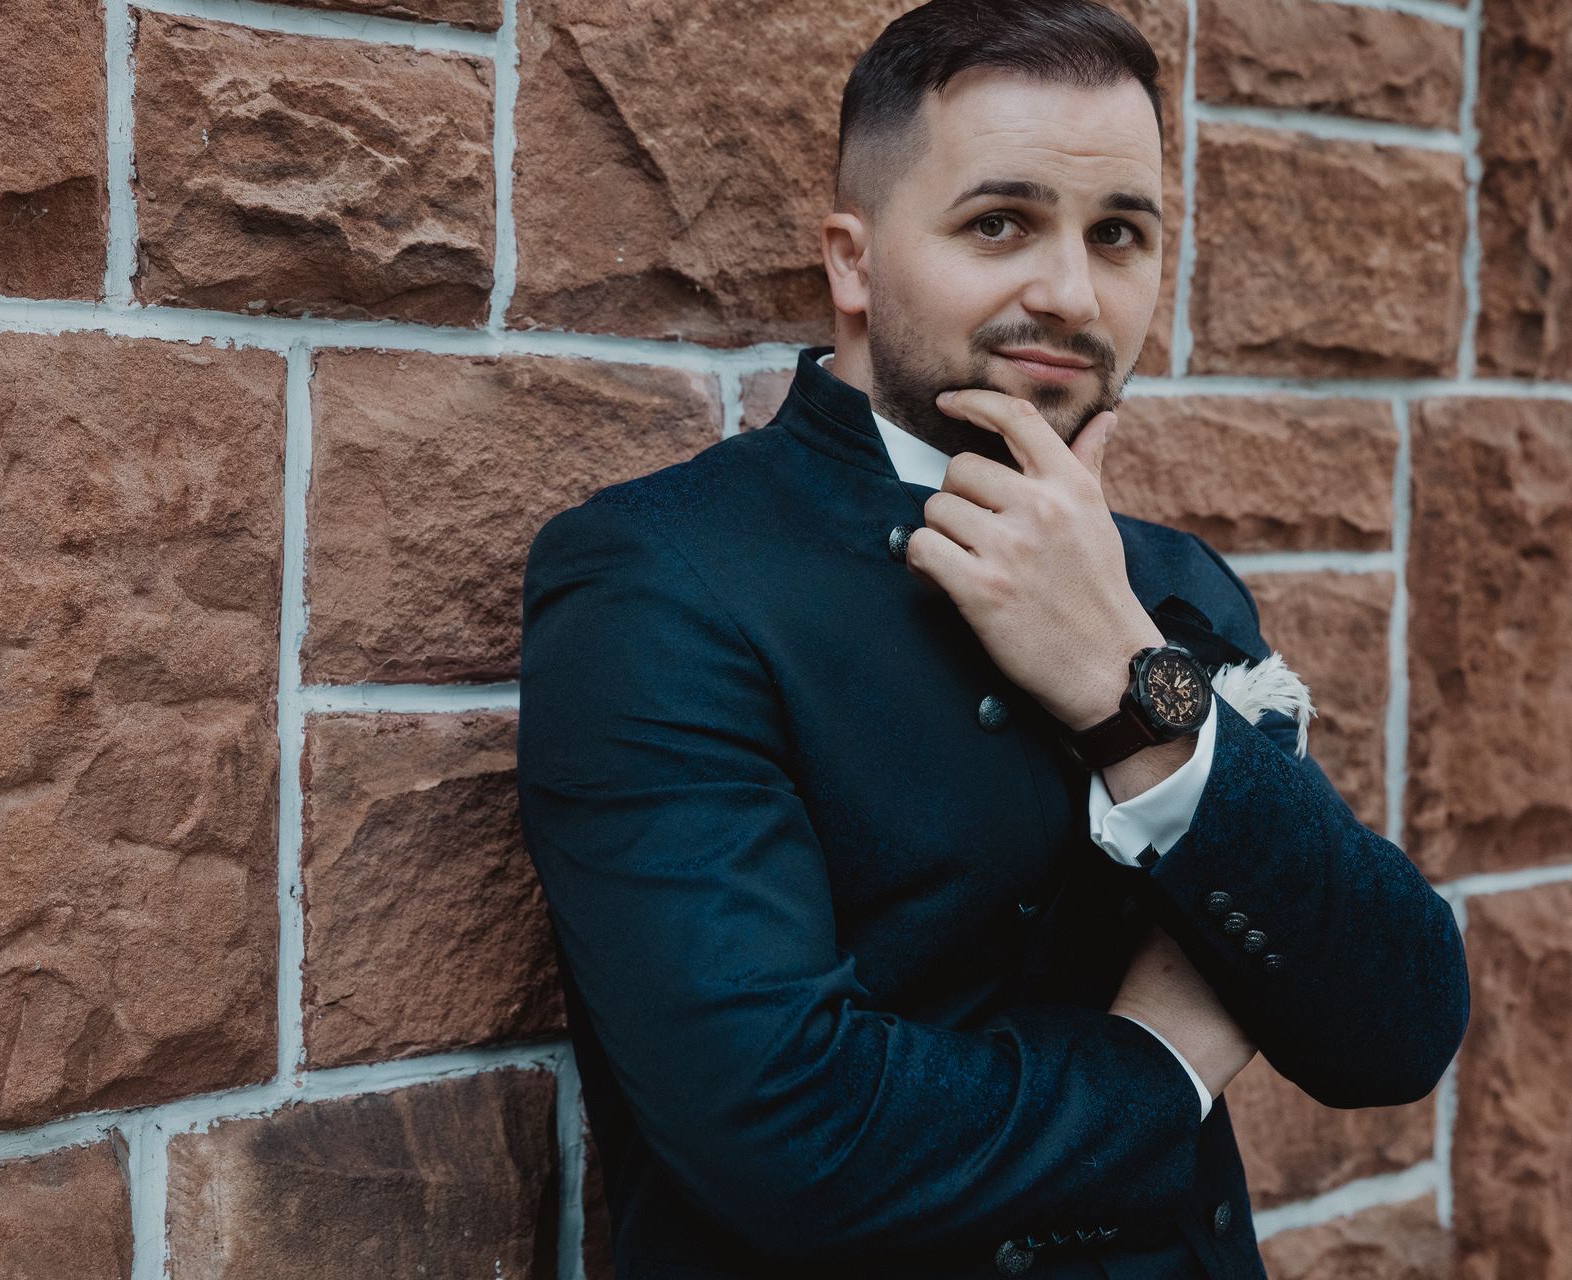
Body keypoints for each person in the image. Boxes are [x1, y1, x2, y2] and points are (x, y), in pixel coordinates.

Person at [513, 2, 1470, 1276]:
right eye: (1000, 223)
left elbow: (1398, 1027)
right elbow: (790, 1135)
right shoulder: (660, 577)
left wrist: (1132, 693)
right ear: (853, 263)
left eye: (1118, 234)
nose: (1069, 293)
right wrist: (1163, 1063)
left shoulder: (1171, 589)